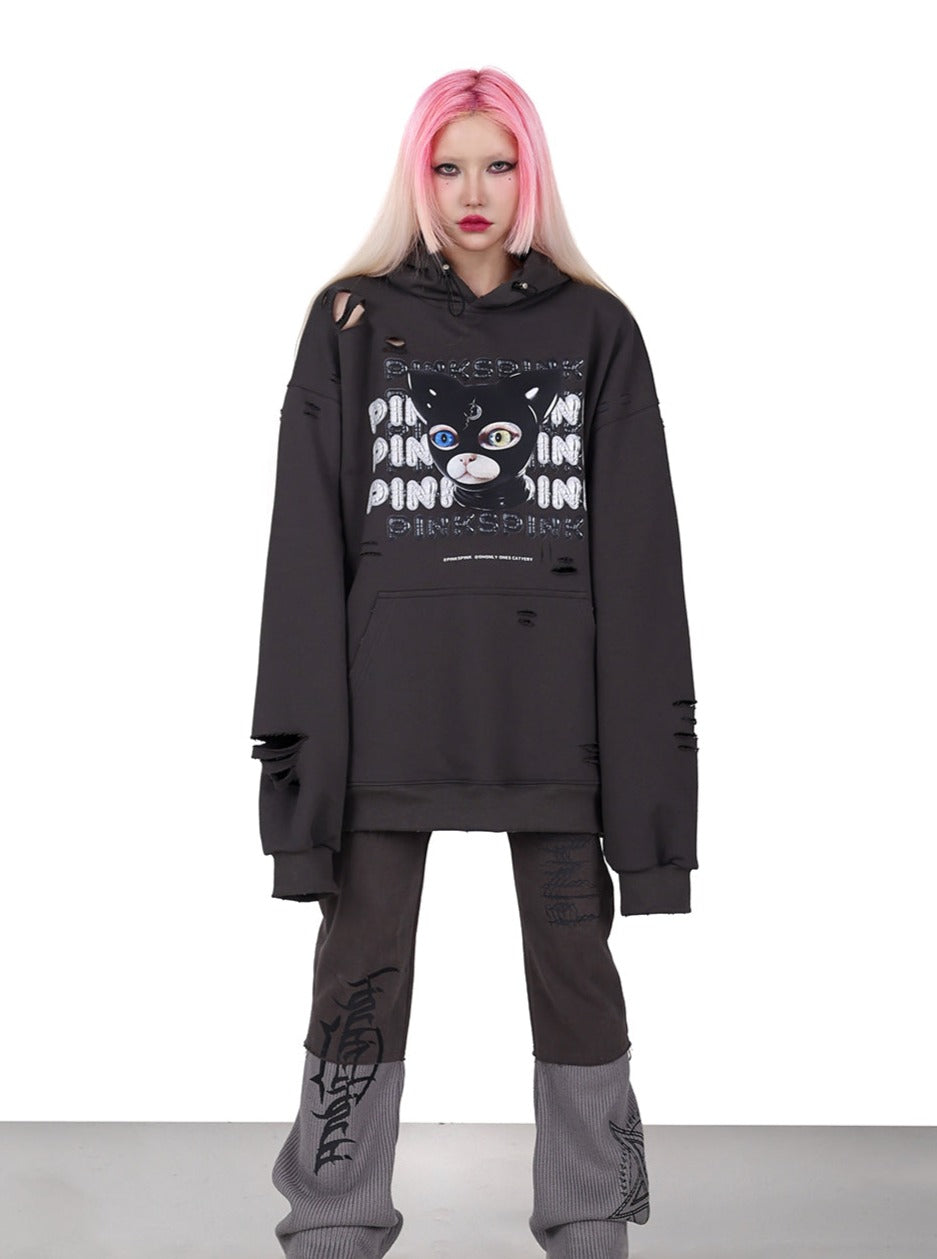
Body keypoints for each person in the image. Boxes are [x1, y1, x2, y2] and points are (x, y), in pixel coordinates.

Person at [249, 65, 698, 1259]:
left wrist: (655, 824)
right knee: (359, 969)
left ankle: (592, 1209)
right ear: (418, 178)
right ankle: (334, 1213)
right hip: (384, 715)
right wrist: (300, 788)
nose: (473, 192)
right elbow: (304, 554)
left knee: (575, 964)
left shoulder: (598, 332)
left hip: (556, 720)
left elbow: (640, 568)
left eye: (499, 164)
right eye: (447, 166)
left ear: (530, 174)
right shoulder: (348, 321)